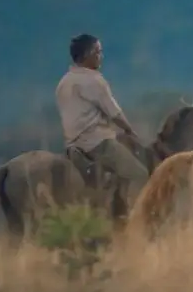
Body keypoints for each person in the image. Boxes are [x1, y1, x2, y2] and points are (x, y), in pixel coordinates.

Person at [55, 33, 149, 212]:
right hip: (97, 143)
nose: (101, 57)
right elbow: (114, 113)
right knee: (139, 175)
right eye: (98, 52)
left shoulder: (63, 82)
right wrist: (130, 130)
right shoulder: (94, 80)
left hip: (72, 146)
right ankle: (136, 219)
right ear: (87, 55)